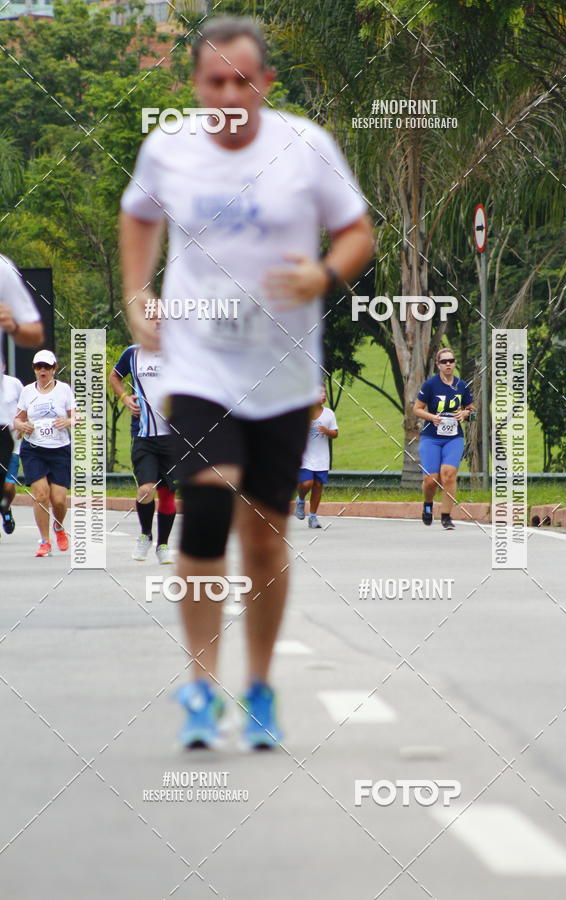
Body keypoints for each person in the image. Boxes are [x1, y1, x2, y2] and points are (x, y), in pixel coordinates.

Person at [120, 15, 373, 749]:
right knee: (207, 498)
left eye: (242, 80)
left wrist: (323, 273)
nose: (229, 94)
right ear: (195, 86)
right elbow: (137, 218)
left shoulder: (305, 149)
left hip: (283, 371)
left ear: (263, 84)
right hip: (199, 362)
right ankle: (201, 687)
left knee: (265, 537)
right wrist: (139, 295)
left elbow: (358, 231)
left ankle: (258, 687)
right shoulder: (168, 150)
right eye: (214, 81)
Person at [109, 343, 176, 564]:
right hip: (144, 436)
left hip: (173, 437)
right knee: (146, 490)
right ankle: (145, 534)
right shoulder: (132, 353)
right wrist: (125, 398)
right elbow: (114, 377)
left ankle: (163, 545)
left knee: (167, 495)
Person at [14, 350, 73, 557]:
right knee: (40, 495)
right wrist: (23, 426)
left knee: (58, 500)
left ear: (54, 368)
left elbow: (76, 416)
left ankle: (59, 526)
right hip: (34, 449)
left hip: (59, 449)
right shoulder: (28, 391)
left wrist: (68, 421)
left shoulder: (64, 390)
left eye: (47, 367)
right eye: (39, 367)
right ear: (34, 369)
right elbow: (17, 419)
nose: (43, 371)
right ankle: (44, 541)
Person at [0, 255, 44, 515]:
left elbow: (35, 332)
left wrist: (13, 325)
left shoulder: (2, 269)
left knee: (6, 489)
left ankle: (5, 510)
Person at [413, 348, 474, 530]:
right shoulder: (430, 385)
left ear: (454, 363)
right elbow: (417, 408)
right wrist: (432, 417)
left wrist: (465, 413)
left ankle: (446, 516)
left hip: (453, 438)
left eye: (451, 361)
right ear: (438, 365)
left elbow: (472, 409)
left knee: (448, 474)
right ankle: (428, 504)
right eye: (444, 361)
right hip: (431, 437)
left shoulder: (462, 386)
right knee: (431, 479)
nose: (448, 364)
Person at [295, 385, 338, 528]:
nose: (323, 395)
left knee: (318, 485)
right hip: (305, 456)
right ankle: (300, 500)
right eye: (319, 392)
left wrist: (327, 431)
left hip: (322, 457)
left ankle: (313, 517)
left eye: (324, 392)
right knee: (307, 483)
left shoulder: (329, 414)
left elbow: (335, 434)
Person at [1, 364, 24, 534]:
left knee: (8, 487)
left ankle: (5, 508)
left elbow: (25, 407)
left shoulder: (14, 384)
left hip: (12, 444)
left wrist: (23, 424)